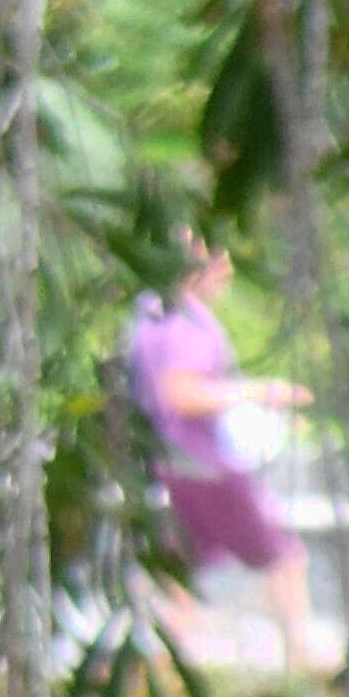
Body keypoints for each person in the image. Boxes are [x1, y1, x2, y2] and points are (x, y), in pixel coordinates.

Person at [126, 237, 314, 673]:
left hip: (170, 462)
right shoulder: (183, 321)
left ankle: (162, 669)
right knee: (284, 558)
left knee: (181, 572)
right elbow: (178, 393)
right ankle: (301, 664)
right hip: (203, 466)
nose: (228, 269)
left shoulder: (152, 311)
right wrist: (261, 392)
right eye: (219, 258)